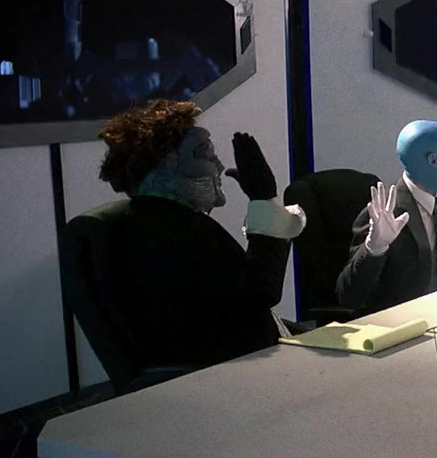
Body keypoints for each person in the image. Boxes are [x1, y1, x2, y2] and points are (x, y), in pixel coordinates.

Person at [98, 99, 306, 366]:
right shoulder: (173, 231)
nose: (218, 166)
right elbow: (260, 292)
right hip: (232, 370)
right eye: (205, 153)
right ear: (167, 164)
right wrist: (263, 198)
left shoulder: (153, 221)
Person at [337, 120, 437, 315]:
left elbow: (435, 227)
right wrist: (374, 248)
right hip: (414, 321)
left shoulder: (434, 195)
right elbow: (348, 296)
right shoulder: (387, 214)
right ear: (433, 161)